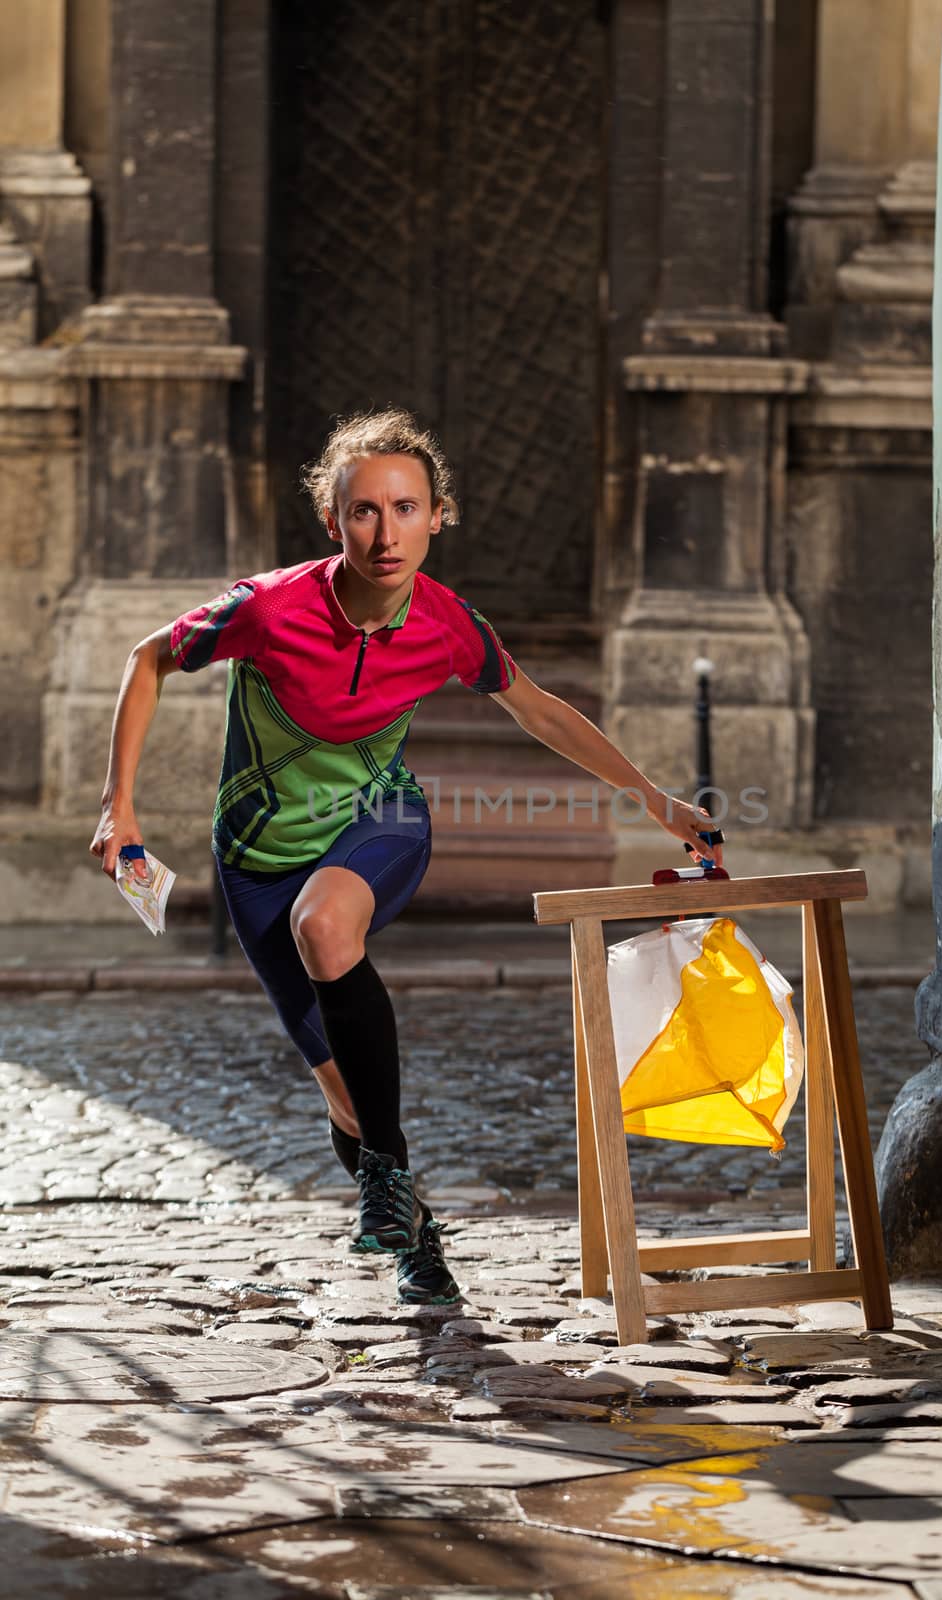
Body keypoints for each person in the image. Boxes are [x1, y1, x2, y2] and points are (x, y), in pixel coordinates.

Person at [90, 407, 724, 1305]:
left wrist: (654, 798)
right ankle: (412, 1227)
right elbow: (147, 658)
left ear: (438, 517)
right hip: (255, 859)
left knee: (326, 924)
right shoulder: (267, 608)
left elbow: (538, 708)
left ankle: (382, 1186)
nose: (385, 533)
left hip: (377, 824)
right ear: (333, 519)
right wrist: (119, 802)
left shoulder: (448, 624)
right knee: (345, 1100)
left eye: (405, 509)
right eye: (363, 511)